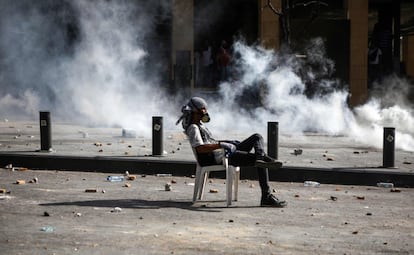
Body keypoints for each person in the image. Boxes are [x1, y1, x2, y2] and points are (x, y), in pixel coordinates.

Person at [176, 97, 287, 207]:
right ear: (195, 112)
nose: (205, 112)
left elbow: (210, 142)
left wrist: (227, 142)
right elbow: (200, 148)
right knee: (260, 160)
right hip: (221, 157)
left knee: (257, 137)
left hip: (224, 153)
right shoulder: (193, 128)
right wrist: (221, 145)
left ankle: (261, 158)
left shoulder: (200, 125)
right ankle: (266, 195)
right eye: (202, 110)